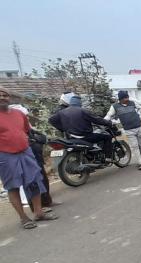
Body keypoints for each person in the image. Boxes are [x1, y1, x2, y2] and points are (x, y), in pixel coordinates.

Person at [0, 87, 58, 229]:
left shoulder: (19, 113)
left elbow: (26, 131)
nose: (2, 97)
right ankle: (24, 218)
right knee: (13, 187)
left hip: (26, 152)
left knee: (34, 182)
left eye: (5, 95)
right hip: (6, 156)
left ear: (9, 98)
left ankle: (38, 212)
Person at [9, 104, 59, 209]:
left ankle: (47, 202)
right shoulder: (14, 131)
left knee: (43, 179)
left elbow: (42, 138)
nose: (26, 118)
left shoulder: (29, 128)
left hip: (37, 157)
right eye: (24, 116)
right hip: (27, 159)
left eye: (27, 116)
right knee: (32, 183)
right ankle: (37, 207)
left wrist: (35, 139)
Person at [49, 95, 114, 162]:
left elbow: (51, 120)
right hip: (85, 137)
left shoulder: (62, 112)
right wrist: (108, 123)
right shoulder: (83, 111)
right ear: (79, 102)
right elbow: (97, 119)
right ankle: (108, 157)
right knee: (107, 137)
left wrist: (62, 128)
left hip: (71, 137)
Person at [105, 91, 141, 170]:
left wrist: (140, 116)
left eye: (127, 97)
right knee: (135, 146)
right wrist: (104, 121)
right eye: (125, 98)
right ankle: (140, 163)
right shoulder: (115, 106)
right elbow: (108, 115)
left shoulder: (132, 103)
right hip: (129, 129)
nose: (127, 99)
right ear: (120, 99)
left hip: (139, 127)